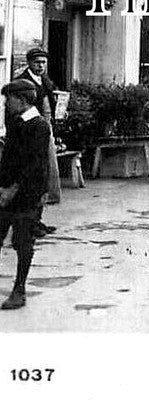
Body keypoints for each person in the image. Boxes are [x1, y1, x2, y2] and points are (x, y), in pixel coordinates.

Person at [0, 80, 50, 309]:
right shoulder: (14, 121)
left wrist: (13, 189)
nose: (5, 104)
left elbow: (33, 164)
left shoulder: (39, 125)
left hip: (27, 194)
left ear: (21, 100)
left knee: (22, 242)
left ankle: (19, 290)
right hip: (6, 190)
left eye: (8, 99)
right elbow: (9, 158)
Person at [13, 48, 60, 237]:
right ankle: (28, 224)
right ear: (29, 63)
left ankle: (37, 220)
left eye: (43, 62)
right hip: (30, 134)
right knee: (33, 177)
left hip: (45, 131)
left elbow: (50, 104)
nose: (40, 66)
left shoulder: (45, 81)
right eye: (37, 62)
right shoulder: (22, 82)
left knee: (45, 177)